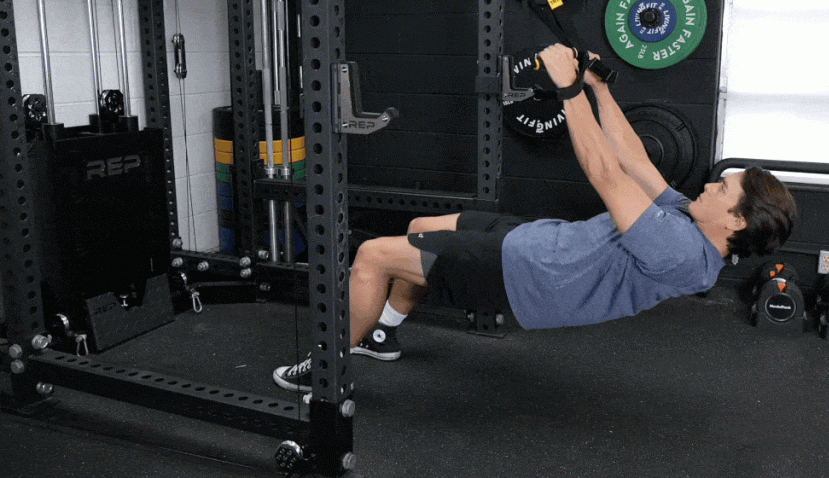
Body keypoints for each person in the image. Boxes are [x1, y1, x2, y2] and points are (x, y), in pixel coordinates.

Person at [272, 44, 797, 392]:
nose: (709, 183)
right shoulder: (689, 220)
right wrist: (598, 87)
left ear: (735, 222)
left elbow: (607, 175)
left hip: (528, 276)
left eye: (722, 188)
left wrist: (567, 90)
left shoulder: (682, 253)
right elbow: (634, 159)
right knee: (417, 231)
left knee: (372, 254)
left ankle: (325, 375)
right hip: (539, 243)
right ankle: (382, 334)